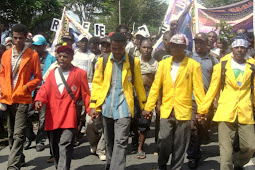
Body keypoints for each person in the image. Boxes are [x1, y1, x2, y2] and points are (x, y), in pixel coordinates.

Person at [142, 34, 206, 170]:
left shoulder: (193, 65)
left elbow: (199, 90)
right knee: (163, 139)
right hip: (167, 109)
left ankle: (176, 167)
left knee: (180, 144)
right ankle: (162, 164)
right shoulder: (164, 64)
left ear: (184, 47)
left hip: (184, 110)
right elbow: (155, 87)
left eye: (179, 46)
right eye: (173, 45)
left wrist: (202, 111)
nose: (175, 48)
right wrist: (149, 107)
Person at [89, 32, 146, 170]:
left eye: (120, 49)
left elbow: (139, 85)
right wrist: (94, 106)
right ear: (110, 47)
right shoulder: (103, 60)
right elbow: (97, 84)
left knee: (121, 141)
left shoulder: (133, 61)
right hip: (107, 106)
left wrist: (145, 106)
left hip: (124, 107)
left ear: (125, 46)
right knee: (109, 142)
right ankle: (110, 165)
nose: (117, 52)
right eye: (114, 48)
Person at [199, 35, 255, 170]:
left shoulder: (252, 66)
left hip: (245, 111)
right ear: (232, 49)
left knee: (250, 146)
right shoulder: (222, 65)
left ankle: (238, 161)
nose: (240, 50)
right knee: (226, 152)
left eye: (243, 47)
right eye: (237, 47)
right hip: (225, 111)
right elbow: (213, 88)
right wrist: (203, 110)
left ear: (247, 49)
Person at [34, 45, 91, 170]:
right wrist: (39, 100)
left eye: (65, 56)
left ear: (71, 58)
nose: (61, 59)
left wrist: (90, 109)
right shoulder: (53, 73)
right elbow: (44, 89)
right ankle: (60, 166)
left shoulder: (80, 73)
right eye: (59, 56)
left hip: (69, 114)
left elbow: (86, 93)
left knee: (65, 144)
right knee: (55, 146)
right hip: (52, 115)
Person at [0, 24, 42, 169]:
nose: (17, 41)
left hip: (23, 98)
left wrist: (26, 87)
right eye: (15, 38)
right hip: (7, 98)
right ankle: (20, 157)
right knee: (11, 133)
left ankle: (12, 166)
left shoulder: (33, 55)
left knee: (18, 134)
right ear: (11, 37)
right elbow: (2, 73)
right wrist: (3, 89)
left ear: (25, 38)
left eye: (21, 38)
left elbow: (38, 78)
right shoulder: (6, 54)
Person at [186, 32, 219, 169]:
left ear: (207, 44)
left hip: (207, 101)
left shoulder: (213, 61)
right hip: (191, 99)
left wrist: (216, 100)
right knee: (193, 127)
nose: (198, 44)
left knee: (202, 128)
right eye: (196, 42)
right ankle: (192, 156)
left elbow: (216, 82)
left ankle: (196, 149)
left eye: (201, 42)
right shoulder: (188, 57)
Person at [23, 34, 56, 152]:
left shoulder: (52, 59)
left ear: (45, 46)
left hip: (45, 92)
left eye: (39, 46)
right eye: (34, 46)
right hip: (31, 92)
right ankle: (29, 136)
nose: (36, 48)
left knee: (43, 117)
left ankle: (40, 140)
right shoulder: (30, 58)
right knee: (26, 115)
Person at [136, 39, 158, 159]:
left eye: (149, 48)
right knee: (133, 119)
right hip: (135, 93)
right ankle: (134, 140)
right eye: (144, 47)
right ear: (140, 48)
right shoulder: (135, 61)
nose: (146, 50)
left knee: (145, 120)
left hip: (149, 93)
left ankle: (140, 147)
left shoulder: (155, 63)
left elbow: (157, 81)